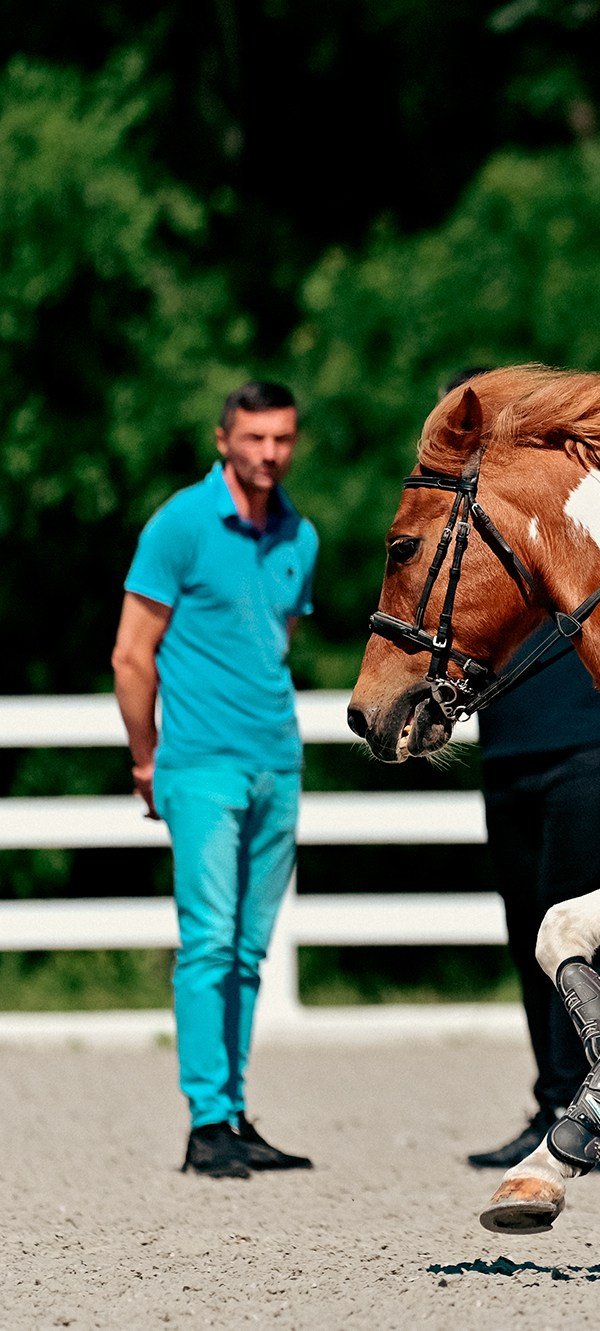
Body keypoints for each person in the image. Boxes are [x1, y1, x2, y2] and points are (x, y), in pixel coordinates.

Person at [112, 381, 320, 1179]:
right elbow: (131, 654)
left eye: (282, 438)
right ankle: (205, 1123)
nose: (270, 452)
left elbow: (274, 643)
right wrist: (145, 757)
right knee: (208, 940)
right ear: (223, 438)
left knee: (249, 949)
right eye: (255, 437)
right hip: (199, 762)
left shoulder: (300, 533)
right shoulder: (180, 524)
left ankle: (233, 1112)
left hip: (277, 761)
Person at [445, 367, 600, 1170]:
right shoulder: (457, 531)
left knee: (573, 927)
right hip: (507, 745)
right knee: (528, 928)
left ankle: (586, 1101)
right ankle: (552, 1097)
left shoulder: (563, 504)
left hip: (586, 741)